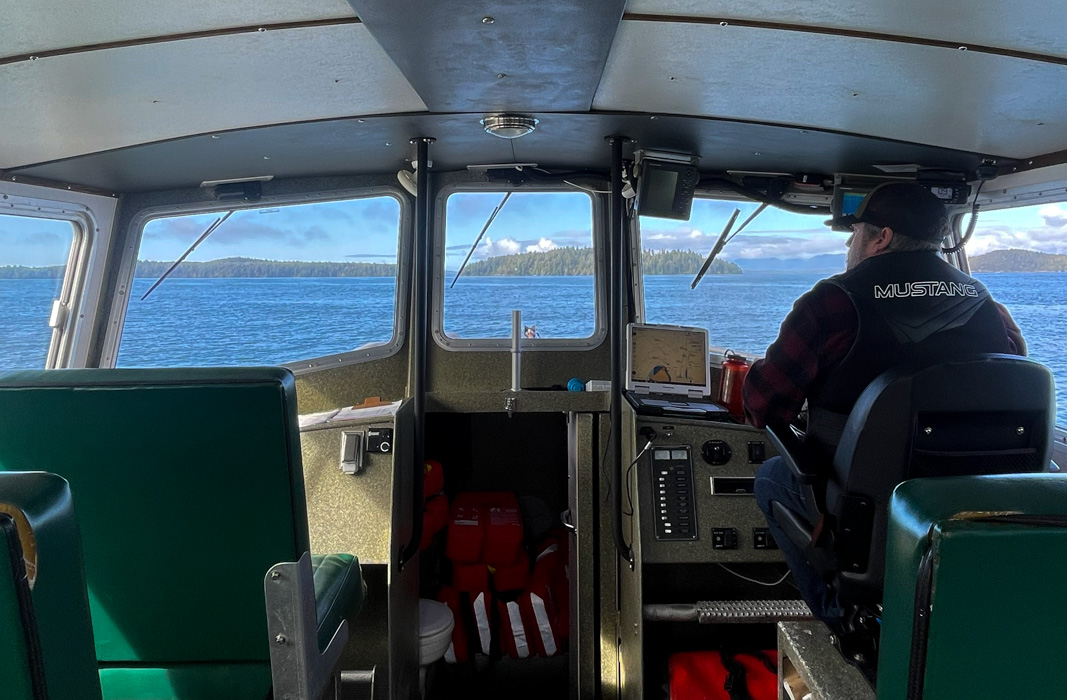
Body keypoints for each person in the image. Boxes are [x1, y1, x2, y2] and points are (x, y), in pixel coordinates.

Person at [743, 182, 1026, 628]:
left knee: (772, 479)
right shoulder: (986, 304)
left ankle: (844, 615)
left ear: (882, 237)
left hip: (869, 520)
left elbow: (763, 404)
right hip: (970, 509)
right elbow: (1014, 375)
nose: (850, 244)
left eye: (854, 232)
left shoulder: (831, 303)